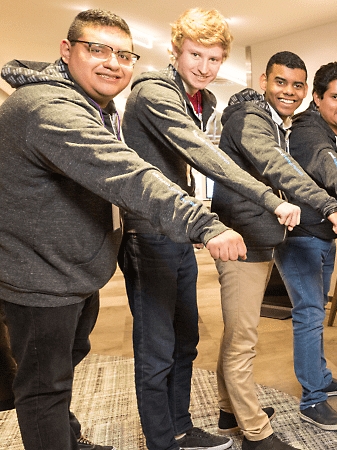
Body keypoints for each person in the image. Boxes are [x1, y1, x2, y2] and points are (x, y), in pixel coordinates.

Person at [0, 9, 248, 450]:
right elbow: (129, 175)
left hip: (70, 270)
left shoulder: (94, 107)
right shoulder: (48, 108)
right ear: (66, 51)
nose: (113, 63)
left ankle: (68, 438)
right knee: (43, 388)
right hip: (39, 278)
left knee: (64, 366)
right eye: (97, 49)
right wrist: (205, 224)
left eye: (123, 54)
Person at [119, 8, 300, 450]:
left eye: (215, 58)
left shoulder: (201, 99)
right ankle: (162, 441)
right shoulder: (154, 93)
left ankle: (181, 427)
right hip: (148, 232)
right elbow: (204, 154)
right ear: (175, 51)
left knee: (187, 340)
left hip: (178, 229)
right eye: (196, 54)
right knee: (157, 348)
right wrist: (271, 199)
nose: (205, 66)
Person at [213, 51, 337, 450]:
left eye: (296, 85)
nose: (288, 92)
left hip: (256, 238)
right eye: (280, 82)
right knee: (244, 340)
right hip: (242, 239)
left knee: (237, 333)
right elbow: (277, 166)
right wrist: (329, 206)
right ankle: (256, 435)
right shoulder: (251, 119)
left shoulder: (277, 123)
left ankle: (228, 410)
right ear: (264, 81)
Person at [275, 61, 337, 432]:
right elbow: (326, 161)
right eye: (335, 96)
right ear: (317, 98)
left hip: (325, 236)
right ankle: (312, 399)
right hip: (298, 236)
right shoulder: (306, 130)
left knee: (314, 313)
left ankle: (320, 377)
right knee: (309, 314)